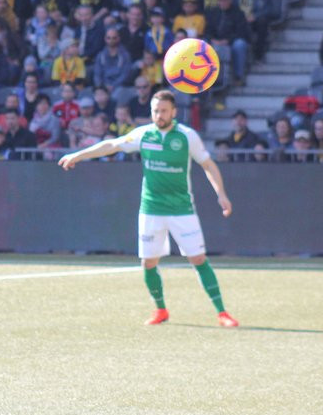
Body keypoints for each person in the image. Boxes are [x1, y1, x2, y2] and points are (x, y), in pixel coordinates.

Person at [58, 90, 237, 328]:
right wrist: (78, 155)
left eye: (163, 111)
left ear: (173, 112)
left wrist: (221, 194)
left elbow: (208, 164)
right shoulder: (144, 134)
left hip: (182, 209)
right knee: (148, 263)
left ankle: (222, 312)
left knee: (198, 258)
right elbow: (112, 144)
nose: (159, 115)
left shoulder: (186, 136)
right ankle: (161, 310)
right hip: (151, 209)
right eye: (155, 110)